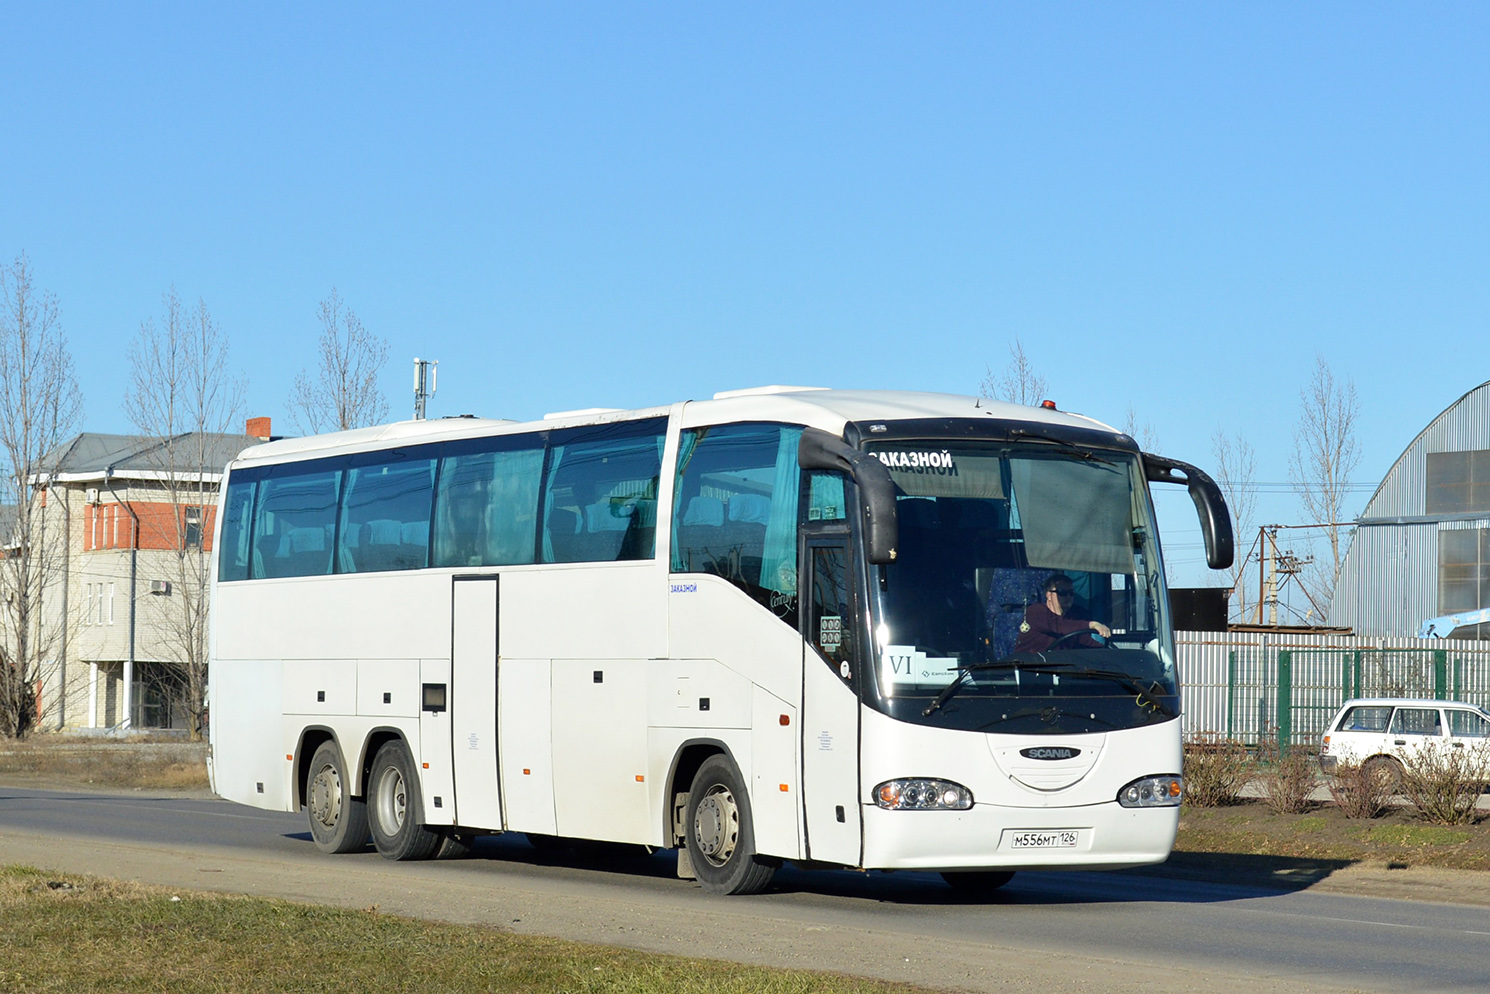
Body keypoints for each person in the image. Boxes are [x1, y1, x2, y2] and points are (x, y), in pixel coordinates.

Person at [1013, 573, 1112, 652]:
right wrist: (1092, 624)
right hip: (1026, 667)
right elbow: (1058, 625)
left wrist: (1107, 653)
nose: (1068, 596)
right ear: (1048, 595)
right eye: (1062, 592)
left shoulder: (1072, 617)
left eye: (1071, 593)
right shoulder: (1035, 611)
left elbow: (1083, 640)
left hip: (1058, 668)